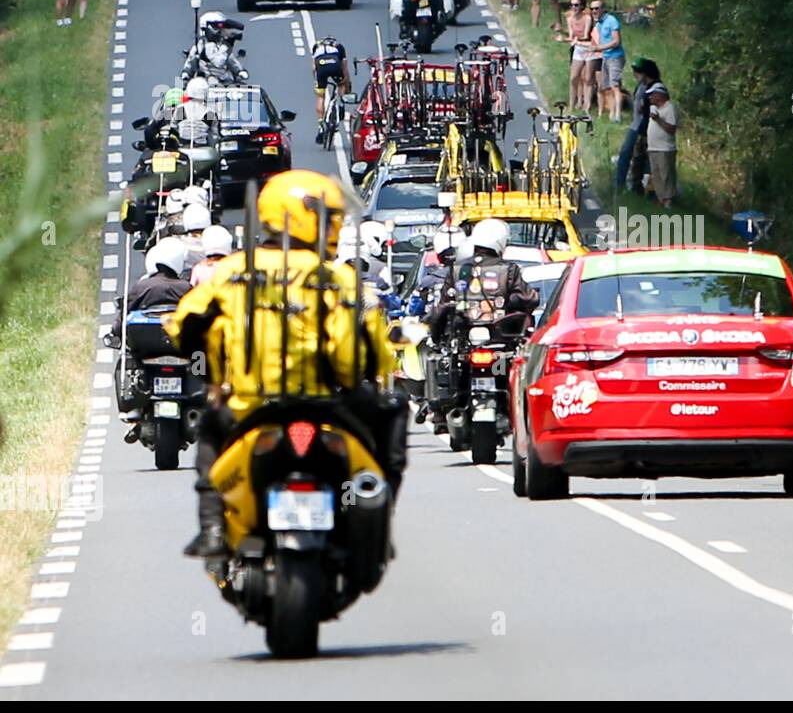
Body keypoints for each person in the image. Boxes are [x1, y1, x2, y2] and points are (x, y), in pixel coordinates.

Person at [167, 170, 406, 557]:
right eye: (328, 217)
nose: (334, 226)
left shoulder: (230, 272)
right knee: (394, 412)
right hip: (331, 406)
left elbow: (186, 327)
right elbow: (367, 354)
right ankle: (378, 501)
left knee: (210, 428)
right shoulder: (339, 279)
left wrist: (214, 375)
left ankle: (212, 527)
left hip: (248, 407)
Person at [107, 237, 193, 441]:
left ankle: (132, 406)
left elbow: (122, 318)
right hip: (182, 351)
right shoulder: (186, 288)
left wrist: (115, 334)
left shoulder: (141, 287)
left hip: (146, 353)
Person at [424, 219, 538, 340]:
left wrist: (436, 336)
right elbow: (530, 299)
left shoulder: (457, 269)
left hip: (462, 337)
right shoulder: (509, 269)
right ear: (501, 242)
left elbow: (443, 305)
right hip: (501, 336)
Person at [616, 56, 657, 192]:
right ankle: (624, 183)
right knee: (630, 155)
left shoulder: (654, 88)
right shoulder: (641, 85)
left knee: (629, 154)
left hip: (642, 127)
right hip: (636, 124)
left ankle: (626, 184)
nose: (635, 75)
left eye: (637, 72)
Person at [182, 11, 247, 83]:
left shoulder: (222, 46)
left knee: (241, 86)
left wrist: (240, 71)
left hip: (225, 82)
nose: (220, 31)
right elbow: (218, 62)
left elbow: (231, 61)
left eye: (222, 28)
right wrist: (186, 72)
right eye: (217, 27)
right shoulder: (199, 47)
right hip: (203, 81)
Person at [559, 0, 595, 111]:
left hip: (588, 48)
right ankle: (572, 103)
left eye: (577, 5)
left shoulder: (587, 18)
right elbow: (570, 36)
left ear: (581, 6)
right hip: (578, 49)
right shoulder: (569, 19)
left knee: (587, 78)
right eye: (572, 5)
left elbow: (586, 35)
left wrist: (576, 40)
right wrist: (564, 39)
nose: (574, 8)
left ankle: (587, 104)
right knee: (574, 77)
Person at [589, 0, 624, 121]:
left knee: (615, 85)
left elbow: (616, 41)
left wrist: (599, 48)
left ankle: (618, 114)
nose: (594, 11)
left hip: (615, 56)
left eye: (597, 8)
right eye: (592, 9)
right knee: (607, 86)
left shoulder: (611, 21)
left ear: (603, 9)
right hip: (606, 56)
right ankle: (612, 112)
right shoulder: (598, 24)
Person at [645, 83, 679, 209]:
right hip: (653, 147)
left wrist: (658, 120)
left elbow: (672, 129)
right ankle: (661, 199)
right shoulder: (654, 108)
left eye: (652, 94)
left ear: (660, 95)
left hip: (665, 149)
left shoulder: (670, 108)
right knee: (657, 175)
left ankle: (669, 201)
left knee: (666, 175)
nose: (650, 97)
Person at [310, 35, 350, 142]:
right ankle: (341, 103)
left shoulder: (316, 46)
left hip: (321, 68)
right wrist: (346, 81)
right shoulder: (339, 47)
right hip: (335, 67)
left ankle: (320, 124)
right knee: (341, 84)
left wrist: (317, 81)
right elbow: (344, 67)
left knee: (320, 96)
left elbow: (314, 67)